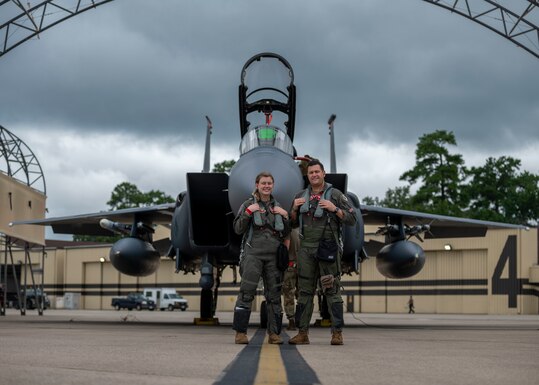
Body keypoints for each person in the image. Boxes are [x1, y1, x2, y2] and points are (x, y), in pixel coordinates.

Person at [288, 159, 357, 345]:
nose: (314, 175)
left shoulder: (335, 195)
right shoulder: (301, 196)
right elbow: (291, 223)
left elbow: (352, 219)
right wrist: (294, 208)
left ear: (323, 173)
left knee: (331, 290)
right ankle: (302, 333)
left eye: (317, 172)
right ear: (307, 176)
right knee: (304, 292)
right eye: (311, 173)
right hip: (306, 250)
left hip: (328, 248)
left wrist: (335, 209)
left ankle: (337, 333)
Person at [232, 171, 291, 345]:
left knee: (274, 295)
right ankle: (240, 333)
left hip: (273, 256)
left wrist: (286, 216)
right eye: (263, 183)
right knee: (246, 292)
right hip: (253, 254)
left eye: (269, 183)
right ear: (257, 185)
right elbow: (237, 228)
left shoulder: (278, 207)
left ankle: (274, 334)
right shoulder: (248, 205)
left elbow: (286, 233)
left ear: (273, 185)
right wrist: (248, 213)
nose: (266, 186)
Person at [282, 228, 299, 330]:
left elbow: (285, 248)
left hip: (290, 266)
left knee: (288, 294)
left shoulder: (287, 230)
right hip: (303, 267)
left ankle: (291, 321)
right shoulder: (305, 229)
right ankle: (302, 321)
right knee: (303, 295)